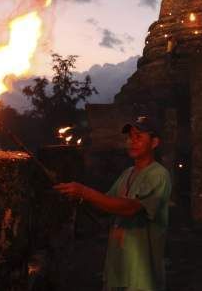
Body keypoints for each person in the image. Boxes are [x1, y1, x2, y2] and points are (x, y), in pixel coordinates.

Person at [54, 116, 171, 291]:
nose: (131, 141)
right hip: (118, 267)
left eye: (138, 137)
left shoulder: (158, 175)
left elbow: (129, 208)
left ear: (154, 142)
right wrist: (78, 195)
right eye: (129, 137)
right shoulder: (128, 173)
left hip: (141, 274)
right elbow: (107, 205)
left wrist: (85, 192)